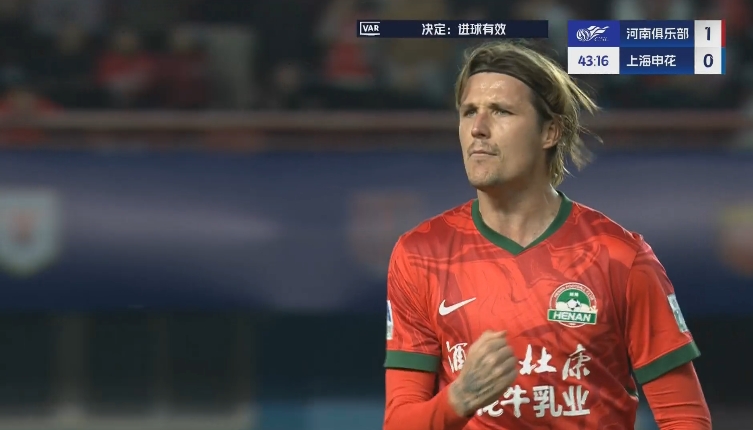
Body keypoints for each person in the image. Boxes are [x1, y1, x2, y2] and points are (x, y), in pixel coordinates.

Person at [382, 41, 711, 430]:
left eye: (501, 111)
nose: (477, 129)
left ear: (549, 131)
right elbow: (399, 422)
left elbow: (684, 417)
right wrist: (458, 399)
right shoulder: (420, 254)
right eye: (469, 111)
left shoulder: (620, 256)